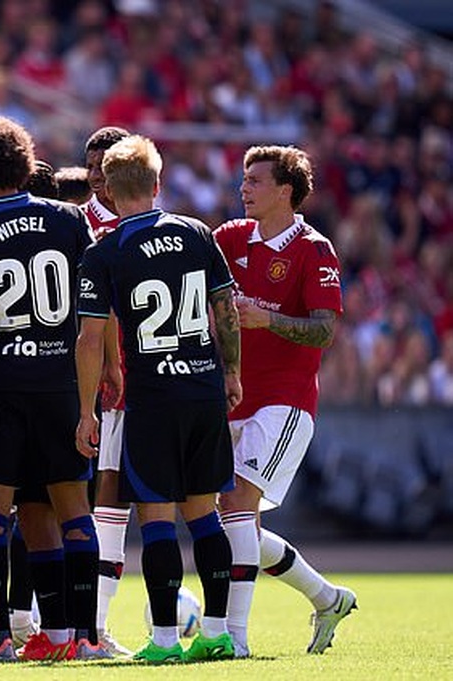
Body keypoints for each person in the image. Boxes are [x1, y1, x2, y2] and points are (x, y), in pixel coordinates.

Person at [75, 134, 240, 663]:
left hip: (154, 397)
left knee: (157, 519)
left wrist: (85, 409)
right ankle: (217, 633)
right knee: (206, 515)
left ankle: (165, 639)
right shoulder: (196, 232)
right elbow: (225, 308)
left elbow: (90, 337)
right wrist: (231, 370)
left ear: (110, 187)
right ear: (157, 184)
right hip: (203, 388)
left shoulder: (106, 251)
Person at [0, 116, 101, 661]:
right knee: (65, 508)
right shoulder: (69, 219)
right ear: (19, 160)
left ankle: (0, 640)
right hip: (60, 383)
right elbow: (91, 307)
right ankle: (75, 636)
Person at [213, 145, 355, 658]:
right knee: (235, 522)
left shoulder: (315, 250)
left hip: (284, 401)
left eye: (254, 181)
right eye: (244, 179)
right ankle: (327, 596)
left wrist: (265, 318)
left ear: (285, 191)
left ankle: (235, 640)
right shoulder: (229, 239)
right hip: (231, 398)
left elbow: (323, 331)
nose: (243, 188)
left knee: (234, 508)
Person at [80, 125, 134, 657]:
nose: (96, 177)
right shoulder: (79, 221)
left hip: (141, 384)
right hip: (86, 383)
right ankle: (82, 625)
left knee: (115, 503)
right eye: (92, 167)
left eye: (106, 168)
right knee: (94, 499)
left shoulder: (146, 224)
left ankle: (93, 623)